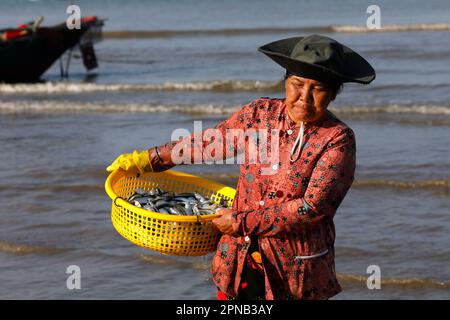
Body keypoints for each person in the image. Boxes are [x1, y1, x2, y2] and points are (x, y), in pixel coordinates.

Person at [106, 34, 376, 300]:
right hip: (237, 261)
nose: (304, 97)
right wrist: (150, 159)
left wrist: (240, 221)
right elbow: (209, 143)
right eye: (297, 84)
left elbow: (311, 208)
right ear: (286, 82)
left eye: (317, 88)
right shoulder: (260, 114)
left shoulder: (337, 139)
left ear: (332, 94)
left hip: (295, 272)